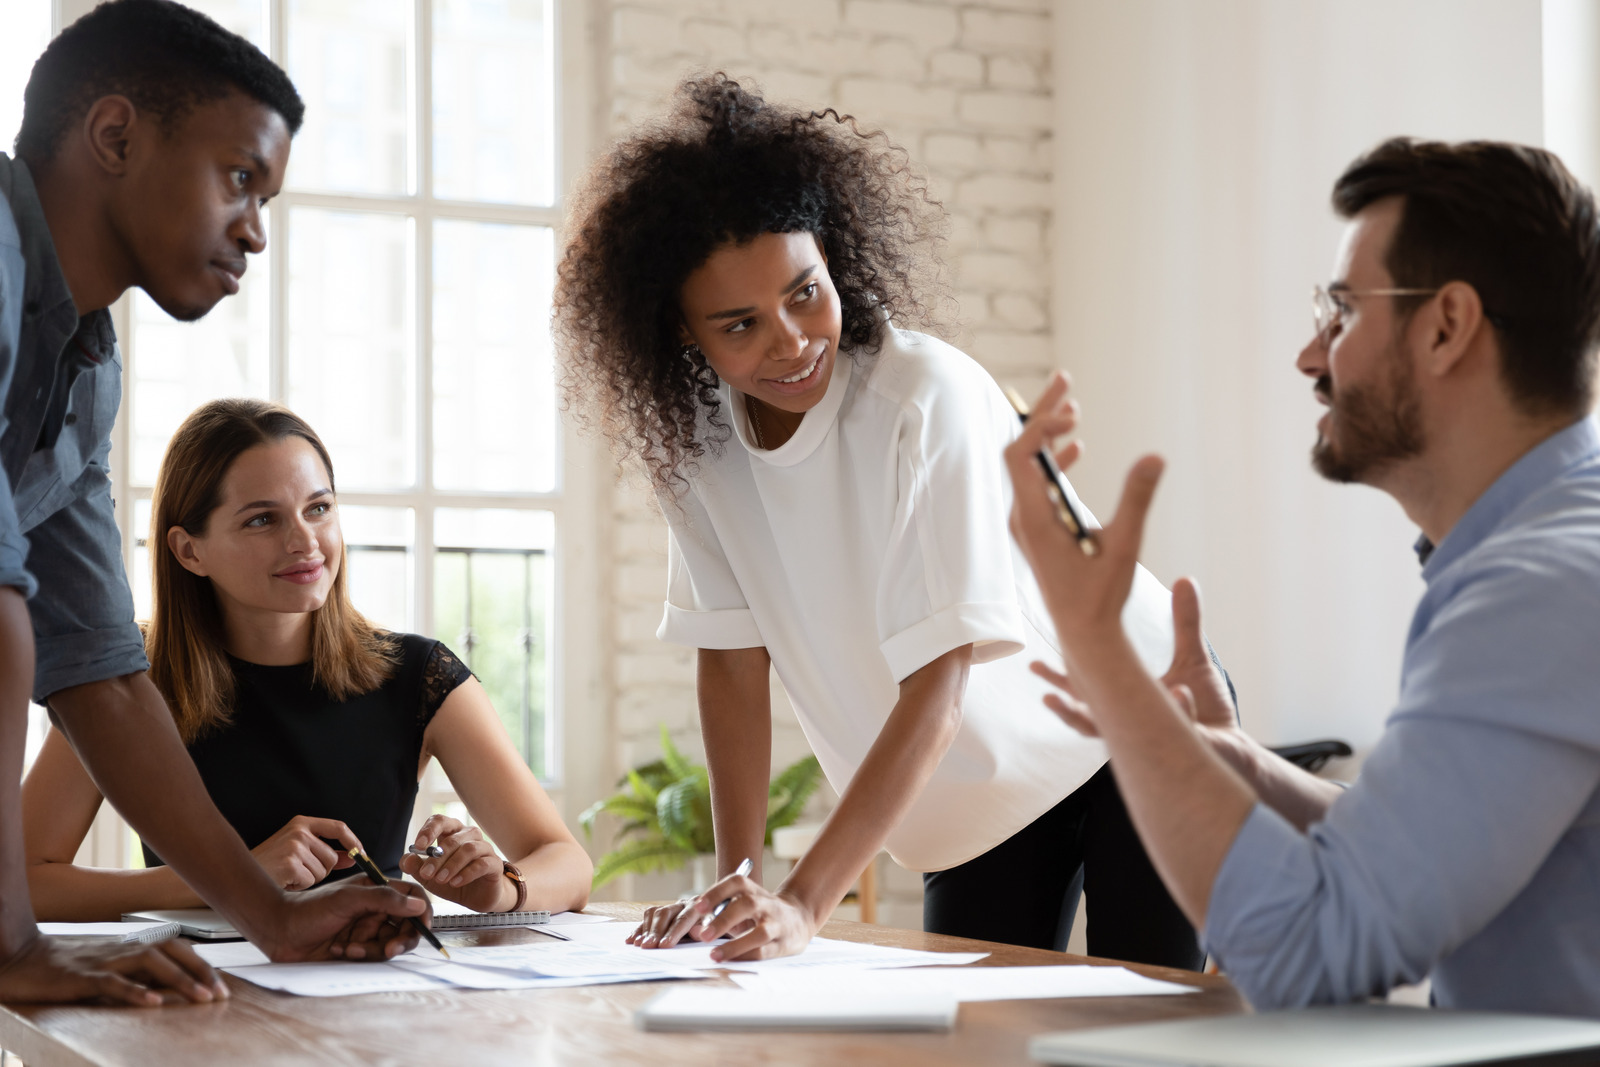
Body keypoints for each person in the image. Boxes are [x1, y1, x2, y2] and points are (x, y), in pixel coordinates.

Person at [555, 73, 1203, 967]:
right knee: (968, 1048)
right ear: (681, 333)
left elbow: (940, 679)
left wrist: (800, 905)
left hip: (1134, 723)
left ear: (832, 255)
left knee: (1149, 1032)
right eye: (739, 322)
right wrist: (738, 878)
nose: (789, 338)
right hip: (972, 800)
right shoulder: (698, 445)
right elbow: (733, 661)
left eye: (804, 291)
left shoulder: (921, 399)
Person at [1006, 138, 1600, 1016]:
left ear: (1446, 326)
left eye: (1343, 312)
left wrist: (1102, 650)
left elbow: (1309, 956)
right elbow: (1413, 851)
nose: (1310, 356)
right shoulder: (1552, 555)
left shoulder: (1536, 589)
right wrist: (1233, 762)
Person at [0, 0, 426, 1005]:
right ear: (116, 135)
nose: (256, 231)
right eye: (241, 178)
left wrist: (269, 915)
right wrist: (12, 944)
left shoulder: (84, 371)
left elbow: (103, 675)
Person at [22, 399, 593, 920]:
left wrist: (502, 888)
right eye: (262, 519)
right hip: (203, 1004)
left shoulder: (420, 676)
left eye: (318, 508)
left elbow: (566, 862)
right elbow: (22, 881)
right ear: (189, 551)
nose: (305, 542)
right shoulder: (126, 681)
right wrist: (233, 881)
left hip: (377, 998)